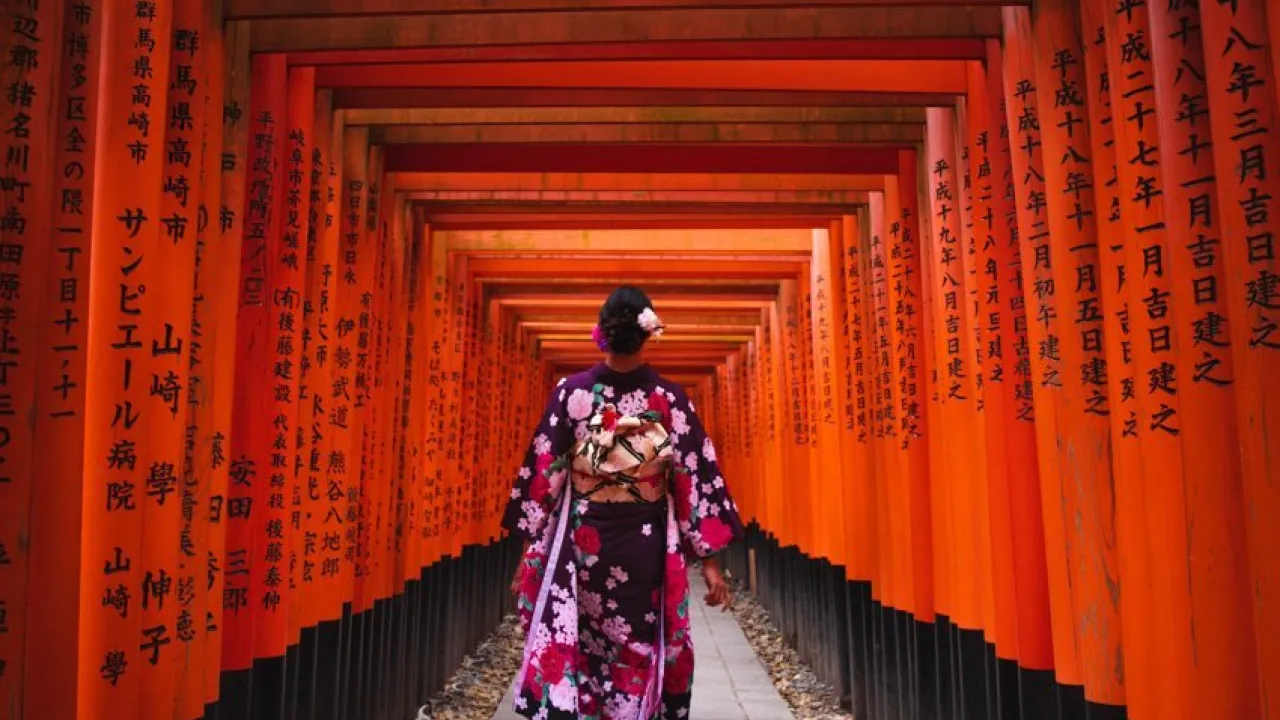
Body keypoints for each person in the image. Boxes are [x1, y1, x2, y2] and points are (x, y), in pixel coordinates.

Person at [502, 285, 745, 720]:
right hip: (645, 546)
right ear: (648, 333)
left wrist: (528, 555)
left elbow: (545, 475)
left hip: (585, 543)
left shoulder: (571, 395)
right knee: (639, 644)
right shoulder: (670, 399)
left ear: (602, 332)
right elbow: (693, 477)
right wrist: (710, 563)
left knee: (586, 643)